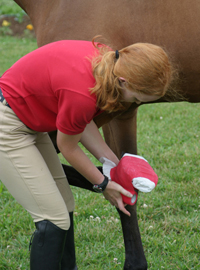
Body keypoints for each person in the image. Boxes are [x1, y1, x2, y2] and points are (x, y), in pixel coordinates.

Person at [0, 37, 175, 269]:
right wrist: (103, 184)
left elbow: (81, 122)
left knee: (65, 205)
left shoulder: (110, 61)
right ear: (124, 81)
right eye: (136, 98)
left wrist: (114, 164)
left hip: (29, 121)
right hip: (8, 127)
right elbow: (68, 146)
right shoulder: (82, 92)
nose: (133, 103)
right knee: (54, 219)